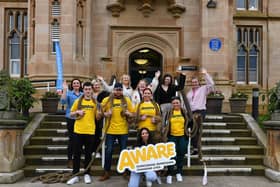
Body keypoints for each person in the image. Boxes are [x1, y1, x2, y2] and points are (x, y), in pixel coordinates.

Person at [66, 82, 101, 185]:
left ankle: (87, 174)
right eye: (86, 89)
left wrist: (99, 114)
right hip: (78, 131)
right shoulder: (78, 101)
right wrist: (78, 112)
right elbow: (70, 114)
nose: (88, 91)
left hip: (90, 131)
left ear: (92, 90)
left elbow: (98, 118)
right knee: (76, 153)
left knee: (88, 154)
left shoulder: (95, 103)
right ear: (83, 90)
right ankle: (75, 174)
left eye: (89, 89)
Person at [99, 83, 134, 181]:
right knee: (108, 151)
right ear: (113, 90)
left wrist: (129, 113)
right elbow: (99, 112)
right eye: (116, 90)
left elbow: (133, 113)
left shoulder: (126, 100)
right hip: (110, 130)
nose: (118, 92)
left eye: (120, 90)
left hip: (123, 130)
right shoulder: (106, 100)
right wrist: (106, 113)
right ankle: (106, 172)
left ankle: (125, 171)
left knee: (124, 152)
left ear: (122, 91)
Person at [186, 68, 214, 155]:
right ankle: (195, 148)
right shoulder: (189, 93)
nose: (194, 84)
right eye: (193, 82)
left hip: (200, 112)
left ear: (198, 82)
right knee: (192, 130)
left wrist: (206, 74)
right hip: (191, 112)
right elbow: (186, 103)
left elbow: (211, 85)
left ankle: (196, 148)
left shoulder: (203, 89)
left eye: (196, 82)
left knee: (196, 129)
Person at [163, 96, 189, 184]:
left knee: (181, 154)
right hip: (172, 136)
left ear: (180, 103)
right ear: (172, 104)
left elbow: (189, 123)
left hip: (182, 136)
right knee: (171, 155)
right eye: (174, 103)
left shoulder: (184, 112)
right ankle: (170, 174)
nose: (175, 104)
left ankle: (179, 172)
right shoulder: (169, 113)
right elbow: (165, 123)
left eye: (177, 102)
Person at [60, 79, 83, 168]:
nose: (76, 84)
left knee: (80, 141)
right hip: (71, 118)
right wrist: (65, 90)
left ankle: (78, 160)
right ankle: (70, 160)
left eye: (77, 83)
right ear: (72, 85)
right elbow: (62, 102)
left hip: (81, 119)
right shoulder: (69, 93)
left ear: (80, 85)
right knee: (72, 140)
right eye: (74, 83)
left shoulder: (83, 94)